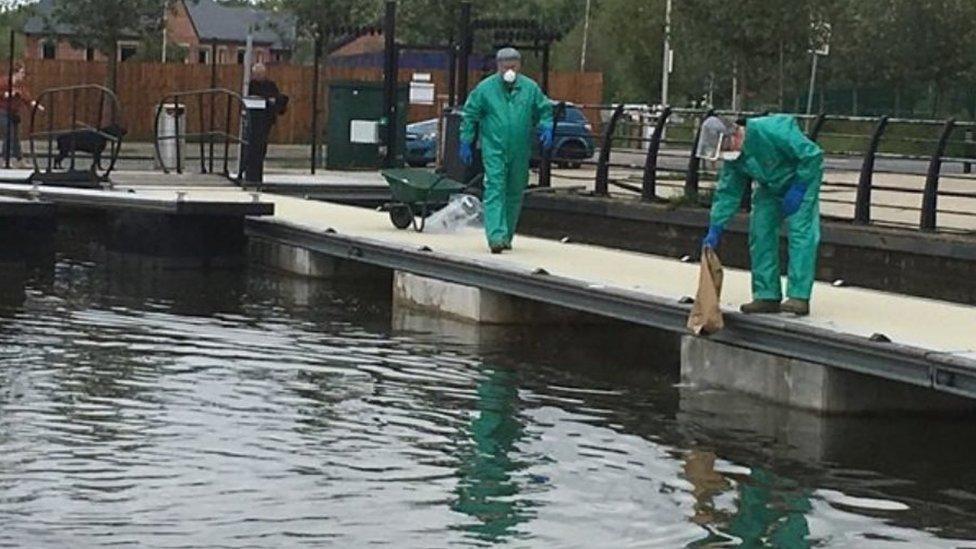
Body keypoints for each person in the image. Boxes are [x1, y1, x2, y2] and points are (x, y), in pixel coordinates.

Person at [699, 114, 823, 316]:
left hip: (801, 179)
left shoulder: (772, 130)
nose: (726, 153)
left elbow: (811, 155)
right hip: (769, 185)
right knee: (760, 233)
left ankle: (799, 296)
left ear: (734, 135)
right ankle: (767, 294)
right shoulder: (736, 157)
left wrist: (799, 187)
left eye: (726, 147)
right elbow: (728, 191)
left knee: (801, 234)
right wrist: (716, 226)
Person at [459, 47, 553, 254]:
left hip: (520, 149)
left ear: (519, 66)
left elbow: (544, 108)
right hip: (494, 147)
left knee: (514, 191)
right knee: (494, 187)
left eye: (513, 65)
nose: (509, 70)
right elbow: (470, 113)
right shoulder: (485, 89)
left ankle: (507, 235)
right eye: (505, 66)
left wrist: (546, 124)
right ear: (498, 66)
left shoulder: (529, 88)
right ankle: (495, 235)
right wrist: (466, 139)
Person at [244, 63, 288, 183]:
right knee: (251, 147)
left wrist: (274, 101)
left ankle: (257, 173)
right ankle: (250, 174)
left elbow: (278, 99)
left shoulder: (270, 85)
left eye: (261, 73)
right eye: (257, 74)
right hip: (253, 120)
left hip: (265, 120)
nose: (259, 76)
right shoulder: (250, 85)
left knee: (261, 147)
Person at [0, 62, 43, 169]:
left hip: (13, 113)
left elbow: (26, 98)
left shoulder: (20, 85)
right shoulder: (3, 82)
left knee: (15, 137)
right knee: (9, 136)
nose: (23, 75)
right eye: (22, 72)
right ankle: (4, 160)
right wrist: (5, 94)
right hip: (3, 111)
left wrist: (36, 105)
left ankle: (19, 160)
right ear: (15, 72)